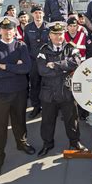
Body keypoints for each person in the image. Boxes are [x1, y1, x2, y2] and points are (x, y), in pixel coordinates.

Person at [0, 17, 35, 179]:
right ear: (0, 30)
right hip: (1, 92)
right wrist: (16, 67)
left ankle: (21, 143)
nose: (8, 32)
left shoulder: (21, 46)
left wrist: (5, 66)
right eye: (5, 29)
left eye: (11, 29)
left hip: (19, 91)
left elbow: (26, 68)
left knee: (19, 120)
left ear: (15, 31)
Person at [36, 21, 86, 156]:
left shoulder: (71, 48)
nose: (59, 37)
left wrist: (55, 65)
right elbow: (42, 70)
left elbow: (76, 62)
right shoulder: (43, 50)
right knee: (47, 120)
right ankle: (47, 143)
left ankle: (74, 141)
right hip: (49, 92)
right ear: (50, 35)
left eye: (61, 34)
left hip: (66, 90)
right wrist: (64, 69)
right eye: (55, 34)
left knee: (72, 119)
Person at [24, 5, 50, 118]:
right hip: (34, 61)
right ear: (32, 14)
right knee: (34, 84)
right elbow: (26, 44)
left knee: (47, 84)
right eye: (35, 13)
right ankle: (36, 107)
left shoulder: (49, 27)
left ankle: (48, 106)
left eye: (40, 13)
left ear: (43, 14)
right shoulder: (28, 27)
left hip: (47, 61)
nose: (38, 15)